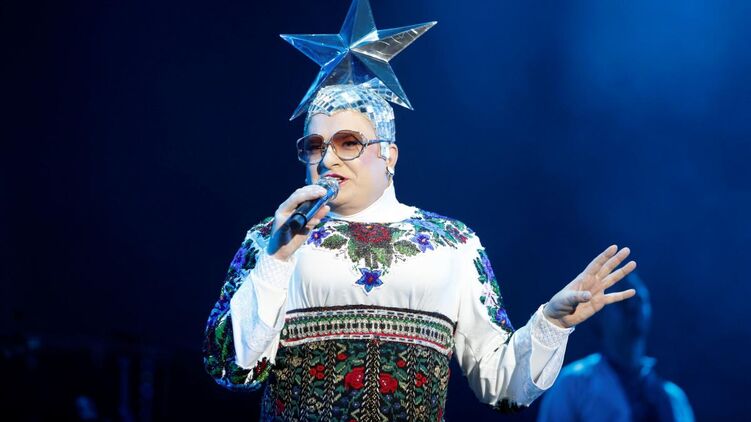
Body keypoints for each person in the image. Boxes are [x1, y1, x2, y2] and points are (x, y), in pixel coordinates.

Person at [203, 1, 637, 420]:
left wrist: (552, 323)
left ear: (389, 155)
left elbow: (503, 386)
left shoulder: (453, 244)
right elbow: (231, 371)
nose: (328, 159)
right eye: (315, 146)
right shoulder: (270, 238)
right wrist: (277, 259)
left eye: (348, 143)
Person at [537, 273, 694, 422]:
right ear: (599, 315)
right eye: (623, 301)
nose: (633, 308)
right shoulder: (572, 385)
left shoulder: (674, 398)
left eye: (639, 299)